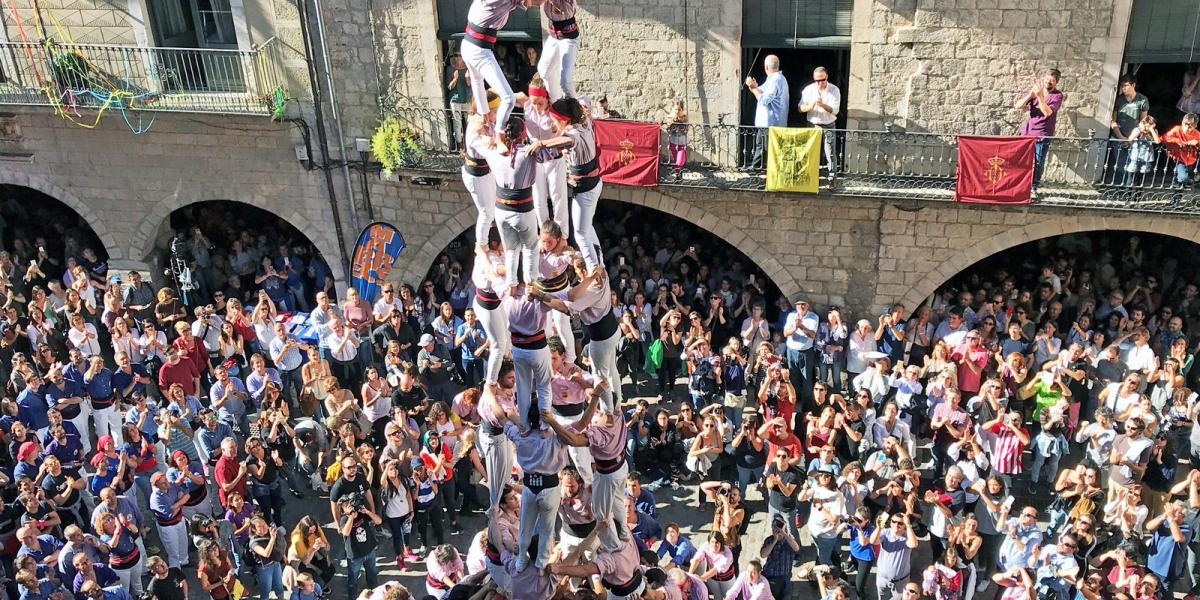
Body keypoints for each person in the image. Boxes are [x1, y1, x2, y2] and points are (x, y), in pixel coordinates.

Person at [1014, 68, 1064, 192]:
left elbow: (1047, 112)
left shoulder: (1057, 96)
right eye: (1047, 79)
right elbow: (1017, 106)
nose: (1049, 82)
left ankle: (1034, 187)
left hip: (1043, 134)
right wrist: (1030, 97)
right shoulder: (1036, 92)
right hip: (1027, 132)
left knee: (1038, 162)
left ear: (1056, 82)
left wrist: (1040, 97)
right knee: (1021, 160)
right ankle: (1019, 184)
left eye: (1052, 80)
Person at [798, 66, 841, 188]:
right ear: (813, 79)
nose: (820, 83)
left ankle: (832, 179)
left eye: (822, 79)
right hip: (813, 124)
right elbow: (800, 108)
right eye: (817, 80)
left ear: (827, 77)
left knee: (830, 153)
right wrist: (810, 106)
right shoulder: (808, 90)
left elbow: (835, 111)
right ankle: (811, 177)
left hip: (828, 124)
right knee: (812, 152)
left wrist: (822, 105)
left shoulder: (834, 90)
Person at [745, 54, 789, 169]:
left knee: (767, 148)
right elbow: (762, 91)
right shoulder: (774, 79)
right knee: (761, 146)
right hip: (768, 122)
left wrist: (753, 88)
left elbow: (764, 100)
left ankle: (763, 171)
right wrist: (754, 87)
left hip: (771, 123)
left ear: (766, 67)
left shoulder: (776, 80)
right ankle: (755, 167)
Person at [337, 493, 383, 600]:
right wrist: (350, 517)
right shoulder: (344, 519)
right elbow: (345, 532)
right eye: (345, 505)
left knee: (372, 574)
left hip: (369, 550)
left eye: (350, 503)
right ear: (342, 509)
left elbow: (378, 521)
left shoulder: (361, 514)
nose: (349, 506)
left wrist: (367, 512)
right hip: (355, 556)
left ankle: (374, 594)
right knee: (353, 580)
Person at [1108, 73, 1150, 186]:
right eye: (1122, 86)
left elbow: (1143, 122)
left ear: (1133, 85)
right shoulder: (1118, 100)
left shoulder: (1142, 100)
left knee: (1132, 165)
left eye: (1126, 85)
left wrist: (1131, 138)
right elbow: (1113, 121)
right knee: (1120, 165)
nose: (1123, 88)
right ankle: (1118, 189)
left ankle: (1128, 190)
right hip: (1118, 137)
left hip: (1134, 138)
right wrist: (1121, 138)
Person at [537, 0, 578, 101]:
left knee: (565, 79)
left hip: (569, 38)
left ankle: (573, 109)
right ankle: (556, 102)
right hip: (554, 37)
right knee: (544, 70)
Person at [1161, 113, 1200, 188]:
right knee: (1183, 178)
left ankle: (1176, 198)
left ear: (1195, 126)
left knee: (1181, 182)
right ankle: (1188, 182)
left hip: (1191, 160)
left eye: (1190, 127)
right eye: (1185, 125)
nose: (1187, 129)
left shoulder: (1197, 133)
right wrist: (1176, 140)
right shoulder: (1177, 129)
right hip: (1179, 158)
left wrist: (1198, 142)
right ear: (1182, 122)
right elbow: (1164, 138)